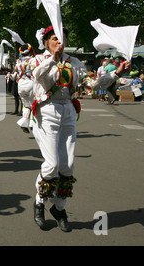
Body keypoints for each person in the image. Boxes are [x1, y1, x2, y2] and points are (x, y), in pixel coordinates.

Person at [31, 26, 131, 232]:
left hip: (68, 111)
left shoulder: (74, 62)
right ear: (47, 42)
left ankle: (59, 208)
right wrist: (53, 59)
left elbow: (91, 84)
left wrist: (116, 74)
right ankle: (40, 202)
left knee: (67, 166)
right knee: (52, 164)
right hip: (46, 111)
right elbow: (37, 76)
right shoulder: (39, 59)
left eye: (63, 38)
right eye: (55, 39)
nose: (60, 42)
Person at [14, 44, 35, 133]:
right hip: (30, 83)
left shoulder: (18, 61)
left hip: (21, 84)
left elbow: (15, 69)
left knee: (26, 105)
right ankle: (32, 124)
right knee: (34, 104)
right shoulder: (32, 60)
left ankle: (24, 123)